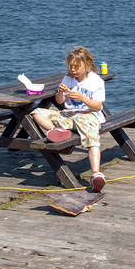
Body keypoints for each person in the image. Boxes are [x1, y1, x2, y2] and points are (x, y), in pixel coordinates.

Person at [32, 46, 108, 192]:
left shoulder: (95, 81)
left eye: (76, 67)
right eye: (71, 66)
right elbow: (59, 102)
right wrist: (60, 92)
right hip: (69, 114)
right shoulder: (68, 78)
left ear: (86, 64)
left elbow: (98, 106)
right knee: (36, 112)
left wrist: (83, 99)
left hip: (88, 115)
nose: (73, 70)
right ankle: (55, 130)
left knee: (92, 139)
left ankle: (96, 173)